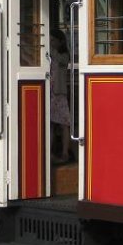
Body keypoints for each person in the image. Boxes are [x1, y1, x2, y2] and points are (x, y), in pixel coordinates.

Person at [50, 28, 72, 163]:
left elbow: (60, 60)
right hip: (50, 92)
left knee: (64, 123)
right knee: (50, 123)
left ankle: (65, 152)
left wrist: (50, 50)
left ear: (60, 41)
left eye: (53, 40)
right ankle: (50, 152)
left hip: (59, 92)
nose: (51, 43)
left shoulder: (64, 55)